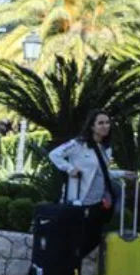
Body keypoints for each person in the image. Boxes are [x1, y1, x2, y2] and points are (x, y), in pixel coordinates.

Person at [48, 109, 117, 260]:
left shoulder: (106, 148)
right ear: (92, 126)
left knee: (92, 239)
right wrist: (69, 169)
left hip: (97, 202)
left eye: (107, 123)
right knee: (75, 240)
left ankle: (70, 270)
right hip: (80, 201)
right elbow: (54, 154)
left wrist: (124, 174)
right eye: (100, 123)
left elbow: (102, 173)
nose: (105, 126)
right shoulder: (78, 144)